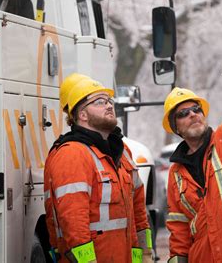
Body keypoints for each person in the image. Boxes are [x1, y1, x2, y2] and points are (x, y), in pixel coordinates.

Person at [163, 22, 222, 263]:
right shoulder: (176, 173)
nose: (193, 114)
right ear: (176, 128)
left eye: (196, 109)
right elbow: (179, 226)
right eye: (183, 114)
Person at [44, 77, 152, 262]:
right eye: (99, 102)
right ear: (82, 115)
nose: (109, 106)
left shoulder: (122, 151)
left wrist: (146, 255)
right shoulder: (72, 154)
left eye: (109, 101)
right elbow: (73, 222)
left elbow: (138, 212)